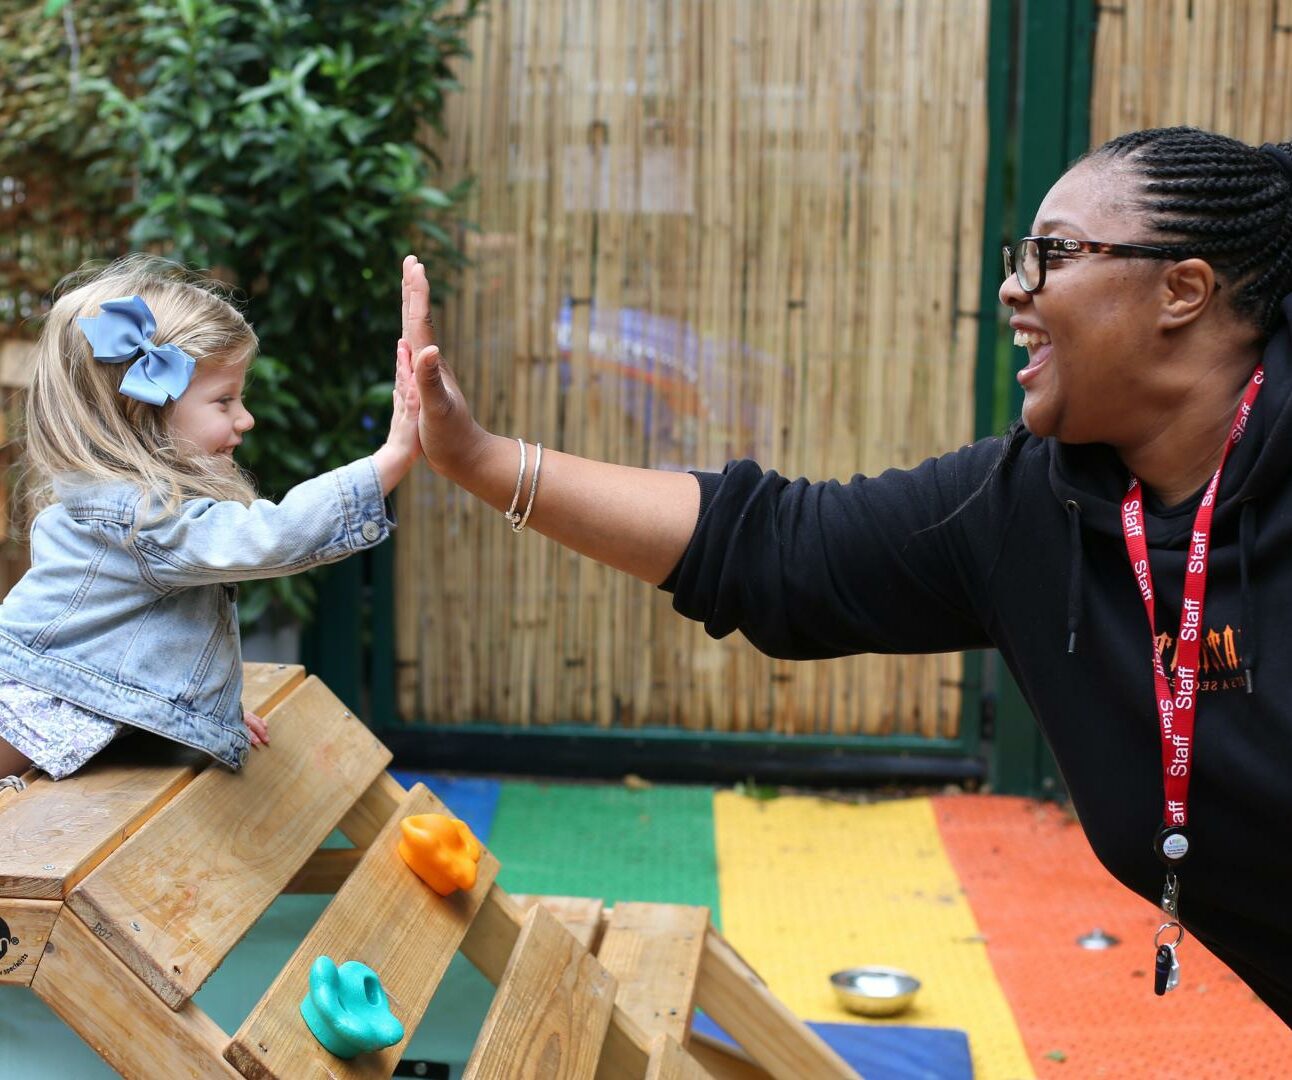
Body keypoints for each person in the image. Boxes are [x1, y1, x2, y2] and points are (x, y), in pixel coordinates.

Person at [399, 125, 1292, 1026]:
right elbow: (775, 548)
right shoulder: (1029, 508)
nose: (1013, 286)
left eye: (1051, 254)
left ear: (1182, 290)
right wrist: (480, 461)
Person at [0, 255, 421, 785]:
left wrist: (190, 707)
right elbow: (267, 538)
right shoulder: (141, 520)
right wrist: (391, 459)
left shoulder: (109, 506)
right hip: (21, 714)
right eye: (224, 400)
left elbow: (121, 652)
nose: (245, 419)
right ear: (142, 413)